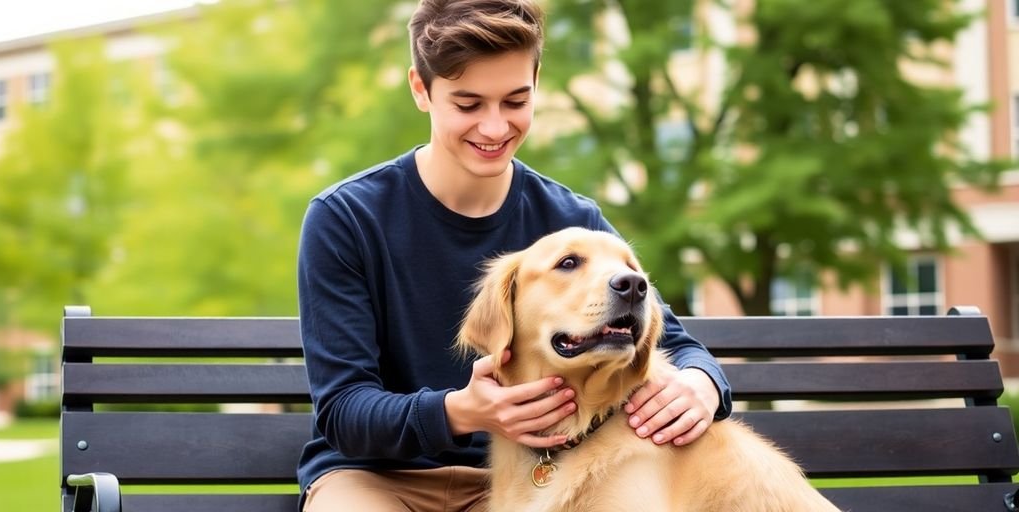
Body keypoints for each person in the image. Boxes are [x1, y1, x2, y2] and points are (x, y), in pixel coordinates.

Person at [296, 1, 732, 510]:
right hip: (375, 479)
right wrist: (462, 411)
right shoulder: (346, 218)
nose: (495, 127)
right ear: (421, 88)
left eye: (515, 100)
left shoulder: (575, 222)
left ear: (536, 81)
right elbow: (344, 410)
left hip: (530, 481)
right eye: (468, 104)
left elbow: (678, 345)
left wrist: (704, 384)